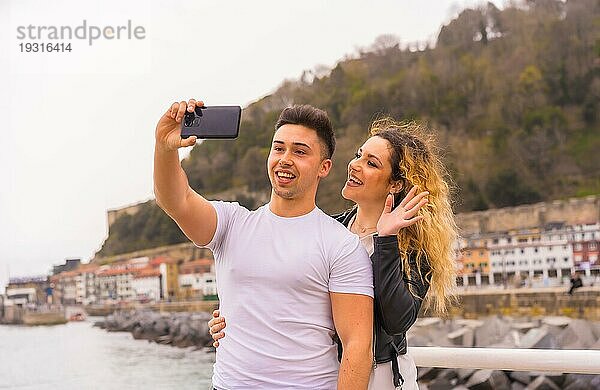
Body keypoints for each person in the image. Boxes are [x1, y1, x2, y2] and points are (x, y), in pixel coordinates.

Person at [210, 118, 458, 389]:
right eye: (358, 155)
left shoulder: (412, 247)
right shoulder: (333, 230)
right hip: (330, 372)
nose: (355, 165)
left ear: (395, 185)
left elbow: (397, 320)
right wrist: (233, 320)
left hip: (381, 376)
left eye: (371, 163)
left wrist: (385, 240)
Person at [154, 99, 374, 390]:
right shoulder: (232, 223)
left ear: (324, 167)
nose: (285, 158)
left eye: (300, 151)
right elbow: (176, 201)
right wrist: (164, 147)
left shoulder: (341, 245)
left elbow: (357, 346)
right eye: (278, 148)